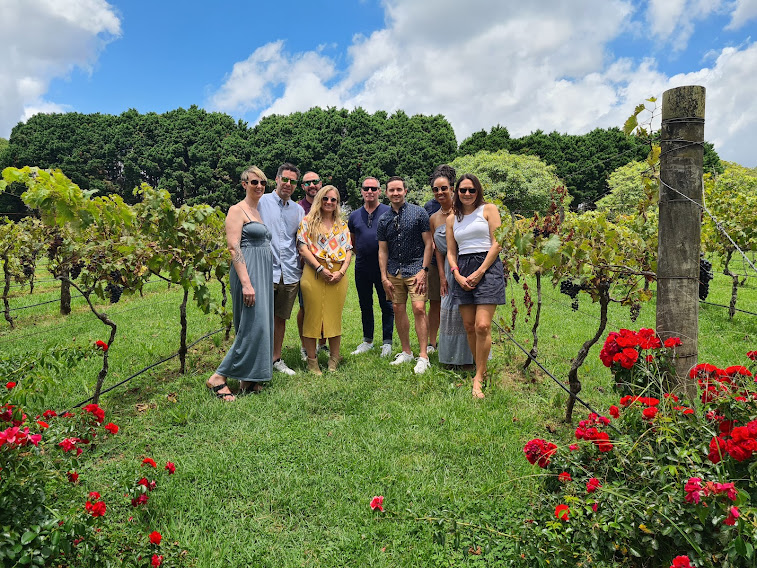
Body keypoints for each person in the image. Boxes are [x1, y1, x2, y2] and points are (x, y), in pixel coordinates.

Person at [206, 166, 273, 400]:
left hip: (262, 275)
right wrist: (246, 283)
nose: (259, 186)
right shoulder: (237, 210)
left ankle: (249, 377)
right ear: (244, 184)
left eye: (263, 183)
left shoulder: (257, 211)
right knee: (251, 325)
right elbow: (234, 248)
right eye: (254, 182)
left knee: (262, 325)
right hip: (248, 274)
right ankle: (219, 377)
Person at [446, 173, 507, 398]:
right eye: (463, 190)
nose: (467, 194)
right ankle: (479, 369)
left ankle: (479, 377)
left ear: (478, 191)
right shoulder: (452, 218)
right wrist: (457, 273)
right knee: (470, 326)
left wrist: (480, 271)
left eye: (471, 190)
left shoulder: (489, 210)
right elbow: (451, 251)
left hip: (487, 267)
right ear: (457, 193)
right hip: (462, 267)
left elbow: (498, 242)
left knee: (482, 326)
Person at [377, 176, 433, 374]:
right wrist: (384, 277)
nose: (395, 193)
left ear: (405, 191)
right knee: (397, 309)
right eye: (391, 190)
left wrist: (424, 271)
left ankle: (424, 356)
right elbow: (382, 250)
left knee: (419, 308)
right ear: (386, 193)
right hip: (394, 271)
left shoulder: (419, 213)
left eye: (399, 189)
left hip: (416, 268)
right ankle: (406, 351)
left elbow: (429, 244)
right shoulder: (383, 219)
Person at [297, 185, 352, 373]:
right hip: (313, 272)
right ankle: (312, 361)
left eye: (333, 200)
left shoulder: (342, 225)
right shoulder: (307, 221)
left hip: (337, 275)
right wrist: (319, 268)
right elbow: (303, 248)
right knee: (312, 317)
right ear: (320, 199)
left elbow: (349, 250)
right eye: (326, 199)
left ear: (337, 203)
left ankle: (333, 360)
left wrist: (342, 272)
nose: (329, 202)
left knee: (333, 317)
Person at [258, 162, 304, 376]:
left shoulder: (298, 210)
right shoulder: (261, 202)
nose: (288, 184)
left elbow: (300, 241)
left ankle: (276, 358)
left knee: (280, 318)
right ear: (276, 180)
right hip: (266, 271)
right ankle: (259, 359)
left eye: (292, 181)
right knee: (260, 318)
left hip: (290, 272)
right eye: (284, 179)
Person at [428, 165, 474, 367]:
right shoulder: (434, 218)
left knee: (467, 308)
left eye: (443, 188)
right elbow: (437, 250)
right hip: (446, 267)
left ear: (452, 188)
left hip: (466, 263)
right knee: (448, 307)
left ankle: (471, 357)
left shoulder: (464, 211)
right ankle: (450, 357)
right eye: (436, 189)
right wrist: (442, 275)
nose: (440, 193)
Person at [348, 177, 394, 357]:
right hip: (362, 266)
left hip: (384, 267)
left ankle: (387, 342)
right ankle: (368, 340)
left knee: (386, 304)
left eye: (373, 188)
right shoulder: (354, 215)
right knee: (365, 304)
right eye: (366, 188)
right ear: (361, 191)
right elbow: (352, 240)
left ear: (379, 191)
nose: (369, 191)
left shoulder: (388, 212)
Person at [296, 171, 326, 359]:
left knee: (324, 306)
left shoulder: (327, 205)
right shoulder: (299, 209)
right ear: (303, 187)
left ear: (320, 183)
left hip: (328, 266)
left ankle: (322, 344)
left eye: (315, 182)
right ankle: (306, 346)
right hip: (304, 266)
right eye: (308, 183)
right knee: (306, 306)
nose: (312, 185)